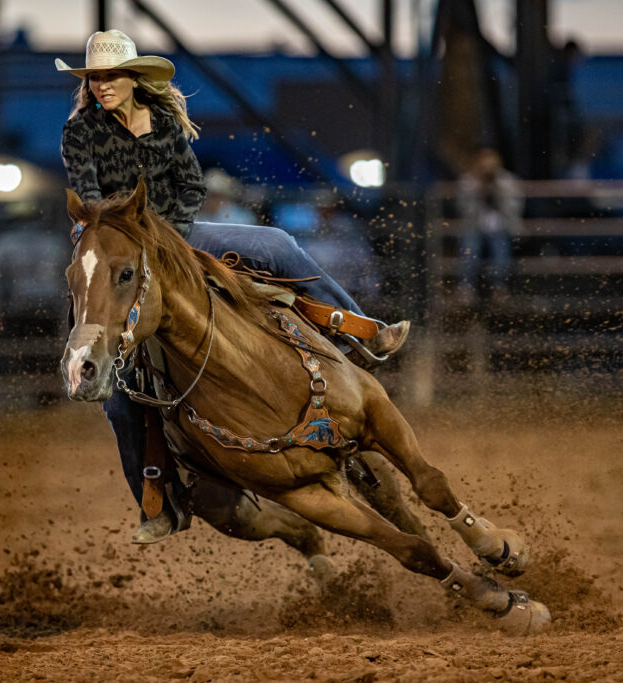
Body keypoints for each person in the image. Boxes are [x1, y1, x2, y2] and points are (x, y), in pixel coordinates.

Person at [57, 29, 409, 543]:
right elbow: (88, 201)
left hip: (176, 234)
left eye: (111, 76)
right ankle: (156, 500)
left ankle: (358, 329)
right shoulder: (80, 131)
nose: (102, 85)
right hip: (117, 245)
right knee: (120, 396)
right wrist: (120, 235)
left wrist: (171, 239)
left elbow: (191, 185)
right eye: (94, 78)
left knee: (277, 244)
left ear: (133, 78)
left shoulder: (163, 124)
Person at [455, 147, 523, 304]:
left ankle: (499, 287)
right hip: (474, 226)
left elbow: (515, 207)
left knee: (500, 250)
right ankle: (465, 287)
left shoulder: (507, 181)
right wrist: (479, 191)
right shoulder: (468, 181)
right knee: (469, 249)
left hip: (500, 226)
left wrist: (498, 191)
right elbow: (462, 208)